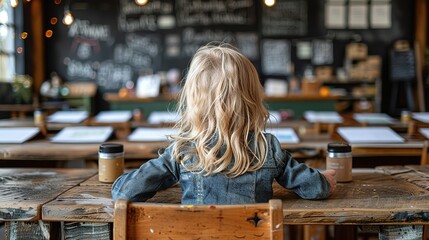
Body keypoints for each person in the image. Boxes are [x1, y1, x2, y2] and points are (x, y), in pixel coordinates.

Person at [111, 43, 336, 204]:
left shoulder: (182, 151)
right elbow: (316, 189)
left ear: (194, 100)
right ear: (252, 97)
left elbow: (124, 192)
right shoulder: (267, 148)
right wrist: (326, 180)